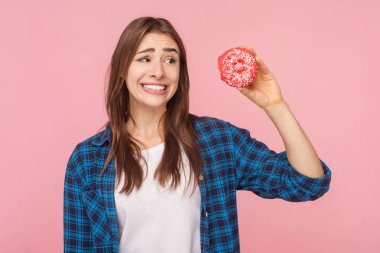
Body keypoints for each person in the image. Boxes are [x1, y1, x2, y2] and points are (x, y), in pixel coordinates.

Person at [63, 16, 332, 253]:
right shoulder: (87, 160)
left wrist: (276, 105)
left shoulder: (217, 140)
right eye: (144, 58)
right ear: (122, 69)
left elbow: (307, 183)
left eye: (170, 60)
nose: (158, 71)